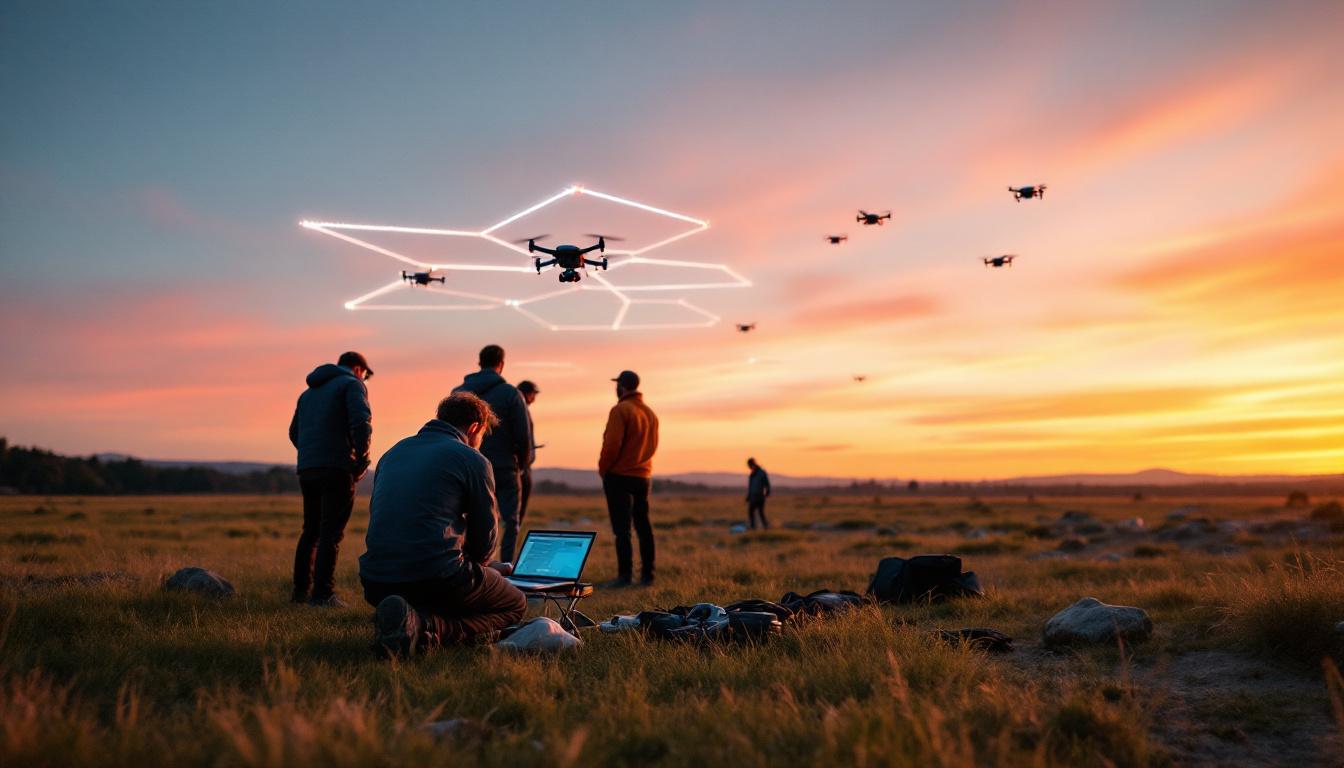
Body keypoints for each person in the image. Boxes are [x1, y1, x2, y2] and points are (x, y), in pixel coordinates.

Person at [358, 393, 527, 657]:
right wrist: (484, 565)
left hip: (375, 581)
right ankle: (429, 628)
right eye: (482, 435)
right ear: (474, 428)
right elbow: (486, 539)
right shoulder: (472, 459)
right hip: (434, 578)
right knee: (515, 603)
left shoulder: (393, 453)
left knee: (447, 588)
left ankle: (408, 618)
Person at [288, 351, 373, 608]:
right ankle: (323, 594)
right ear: (358, 368)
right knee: (331, 533)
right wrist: (361, 460)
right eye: (366, 375)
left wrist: (311, 453)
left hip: (308, 468)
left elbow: (294, 433)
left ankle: (300, 593)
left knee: (310, 530)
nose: (365, 379)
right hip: (337, 467)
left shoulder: (307, 394)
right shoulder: (352, 385)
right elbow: (361, 422)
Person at [452, 345, 532, 564]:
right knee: (511, 521)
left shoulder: (459, 393)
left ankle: (472, 565)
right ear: (502, 364)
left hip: (466, 466)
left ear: (479, 362)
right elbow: (523, 434)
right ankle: (506, 566)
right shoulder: (510, 394)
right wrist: (523, 464)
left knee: (470, 518)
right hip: (505, 466)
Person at [598, 370, 659, 587]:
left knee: (622, 530)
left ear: (621, 386)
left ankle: (624, 577)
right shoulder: (650, 413)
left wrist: (603, 469)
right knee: (644, 526)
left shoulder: (620, 410)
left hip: (619, 476)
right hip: (643, 476)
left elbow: (612, 445)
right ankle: (647, 576)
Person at [516, 380, 540, 533]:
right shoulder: (520, 410)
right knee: (516, 515)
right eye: (534, 394)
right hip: (519, 468)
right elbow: (523, 438)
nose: (535, 398)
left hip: (516, 466)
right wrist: (524, 465)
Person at [746, 457, 771, 530]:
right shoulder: (752, 474)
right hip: (754, 496)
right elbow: (750, 486)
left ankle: (762, 526)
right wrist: (749, 496)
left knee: (758, 512)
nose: (749, 467)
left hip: (759, 496)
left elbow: (767, 483)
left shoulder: (761, 473)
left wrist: (767, 492)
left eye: (749, 465)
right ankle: (755, 526)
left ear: (752, 464)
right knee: (754, 512)